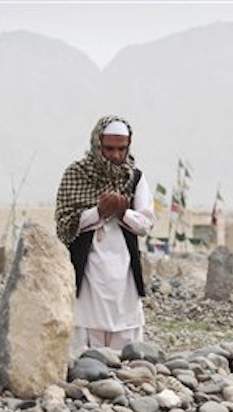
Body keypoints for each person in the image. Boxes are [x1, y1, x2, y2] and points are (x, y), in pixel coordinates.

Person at [55, 115, 155, 353]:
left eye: (122, 149)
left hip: (124, 276)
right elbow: (64, 223)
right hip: (88, 273)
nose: (116, 155)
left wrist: (123, 214)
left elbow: (146, 224)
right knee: (83, 344)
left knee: (127, 346)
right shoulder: (76, 174)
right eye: (109, 148)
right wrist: (99, 212)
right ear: (97, 144)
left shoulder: (135, 178)